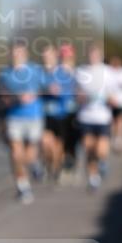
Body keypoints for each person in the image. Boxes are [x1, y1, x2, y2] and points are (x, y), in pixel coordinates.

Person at [0, 40, 44, 204]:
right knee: (16, 154)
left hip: (34, 116)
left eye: (20, 52)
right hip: (14, 117)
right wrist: (14, 98)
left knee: (29, 156)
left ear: (26, 53)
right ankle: (23, 187)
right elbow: (1, 97)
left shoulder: (35, 70)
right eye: (14, 52)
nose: (17, 55)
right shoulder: (5, 73)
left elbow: (45, 88)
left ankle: (34, 164)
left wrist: (34, 94)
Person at [75, 44, 116, 190]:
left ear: (100, 56)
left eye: (96, 54)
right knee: (89, 149)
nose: (93, 57)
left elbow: (114, 95)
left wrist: (110, 99)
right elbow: (76, 93)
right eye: (90, 54)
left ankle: (103, 162)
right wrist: (80, 97)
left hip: (102, 117)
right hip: (86, 117)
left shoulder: (108, 72)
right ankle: (93, 178)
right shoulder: (80, 71)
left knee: (101, 150)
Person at [39, 42, 77, 183]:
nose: (46, 58)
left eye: (49, 55)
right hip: (45, 115)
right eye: (44, 56)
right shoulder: (40, 73)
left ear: (55, 55)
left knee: (57, 147)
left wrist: (59, 91)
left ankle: (57, 168)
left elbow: (71, 92)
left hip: (61, 116)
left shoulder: (64, 72)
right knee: (45, 143)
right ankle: (50, 165)